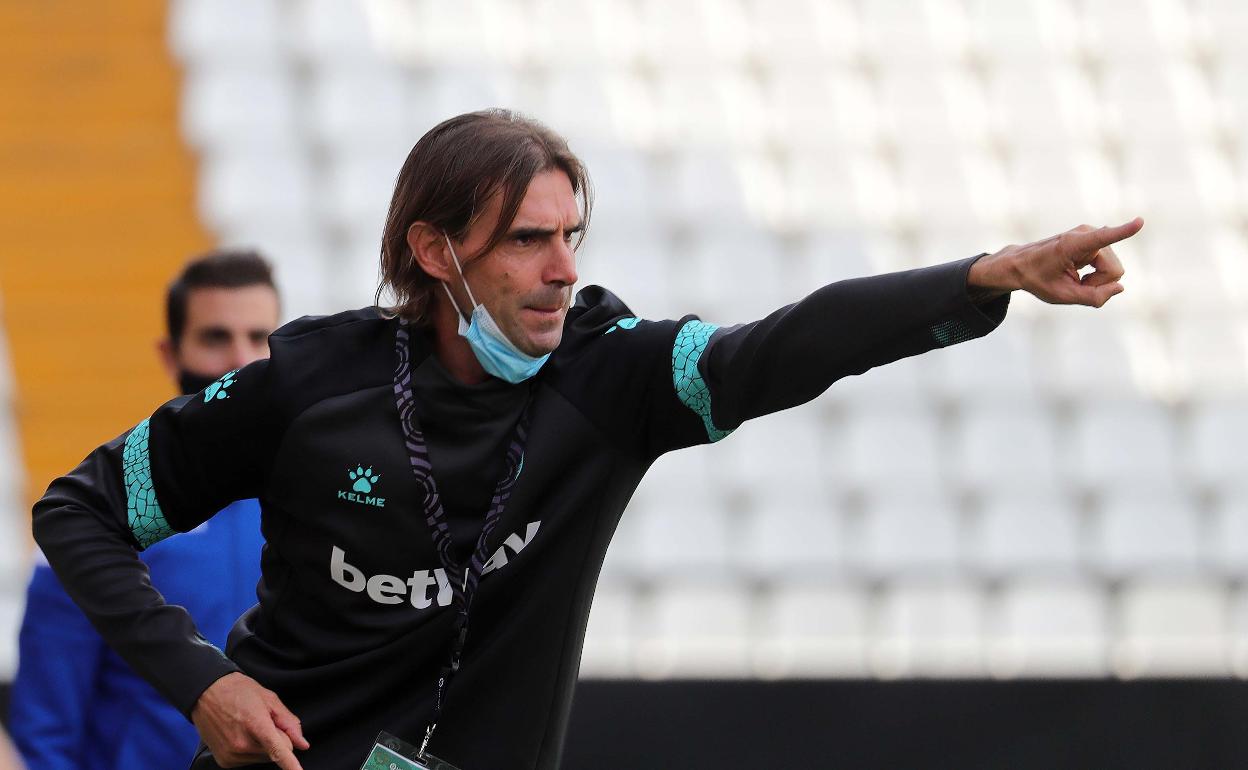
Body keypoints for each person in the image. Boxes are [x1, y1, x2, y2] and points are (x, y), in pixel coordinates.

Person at [31, 110, 1140, 770]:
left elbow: (787, 344)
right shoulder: (313, 383)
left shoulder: (610, 376)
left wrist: (981, 277)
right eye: (525, 241)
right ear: (434, 249)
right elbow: (76, 507)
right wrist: (202, 680)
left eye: (571, 235)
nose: (562, 268)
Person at [12, 250, 280, 770]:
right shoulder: (101, 514)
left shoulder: (325, 496)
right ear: (169, 353)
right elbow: (45, 728)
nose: (240, 362)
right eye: (215, 338)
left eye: (259, 338)